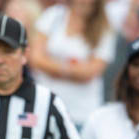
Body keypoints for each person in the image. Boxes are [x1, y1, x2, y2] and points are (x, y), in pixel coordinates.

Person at [31, 0, 116, 128]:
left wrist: (52, 67)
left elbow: (90, 72)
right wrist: (72, 68)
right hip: (44, 108)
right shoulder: (54, 15)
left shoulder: (104, 28)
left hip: (81, 114)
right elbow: (35, 58)